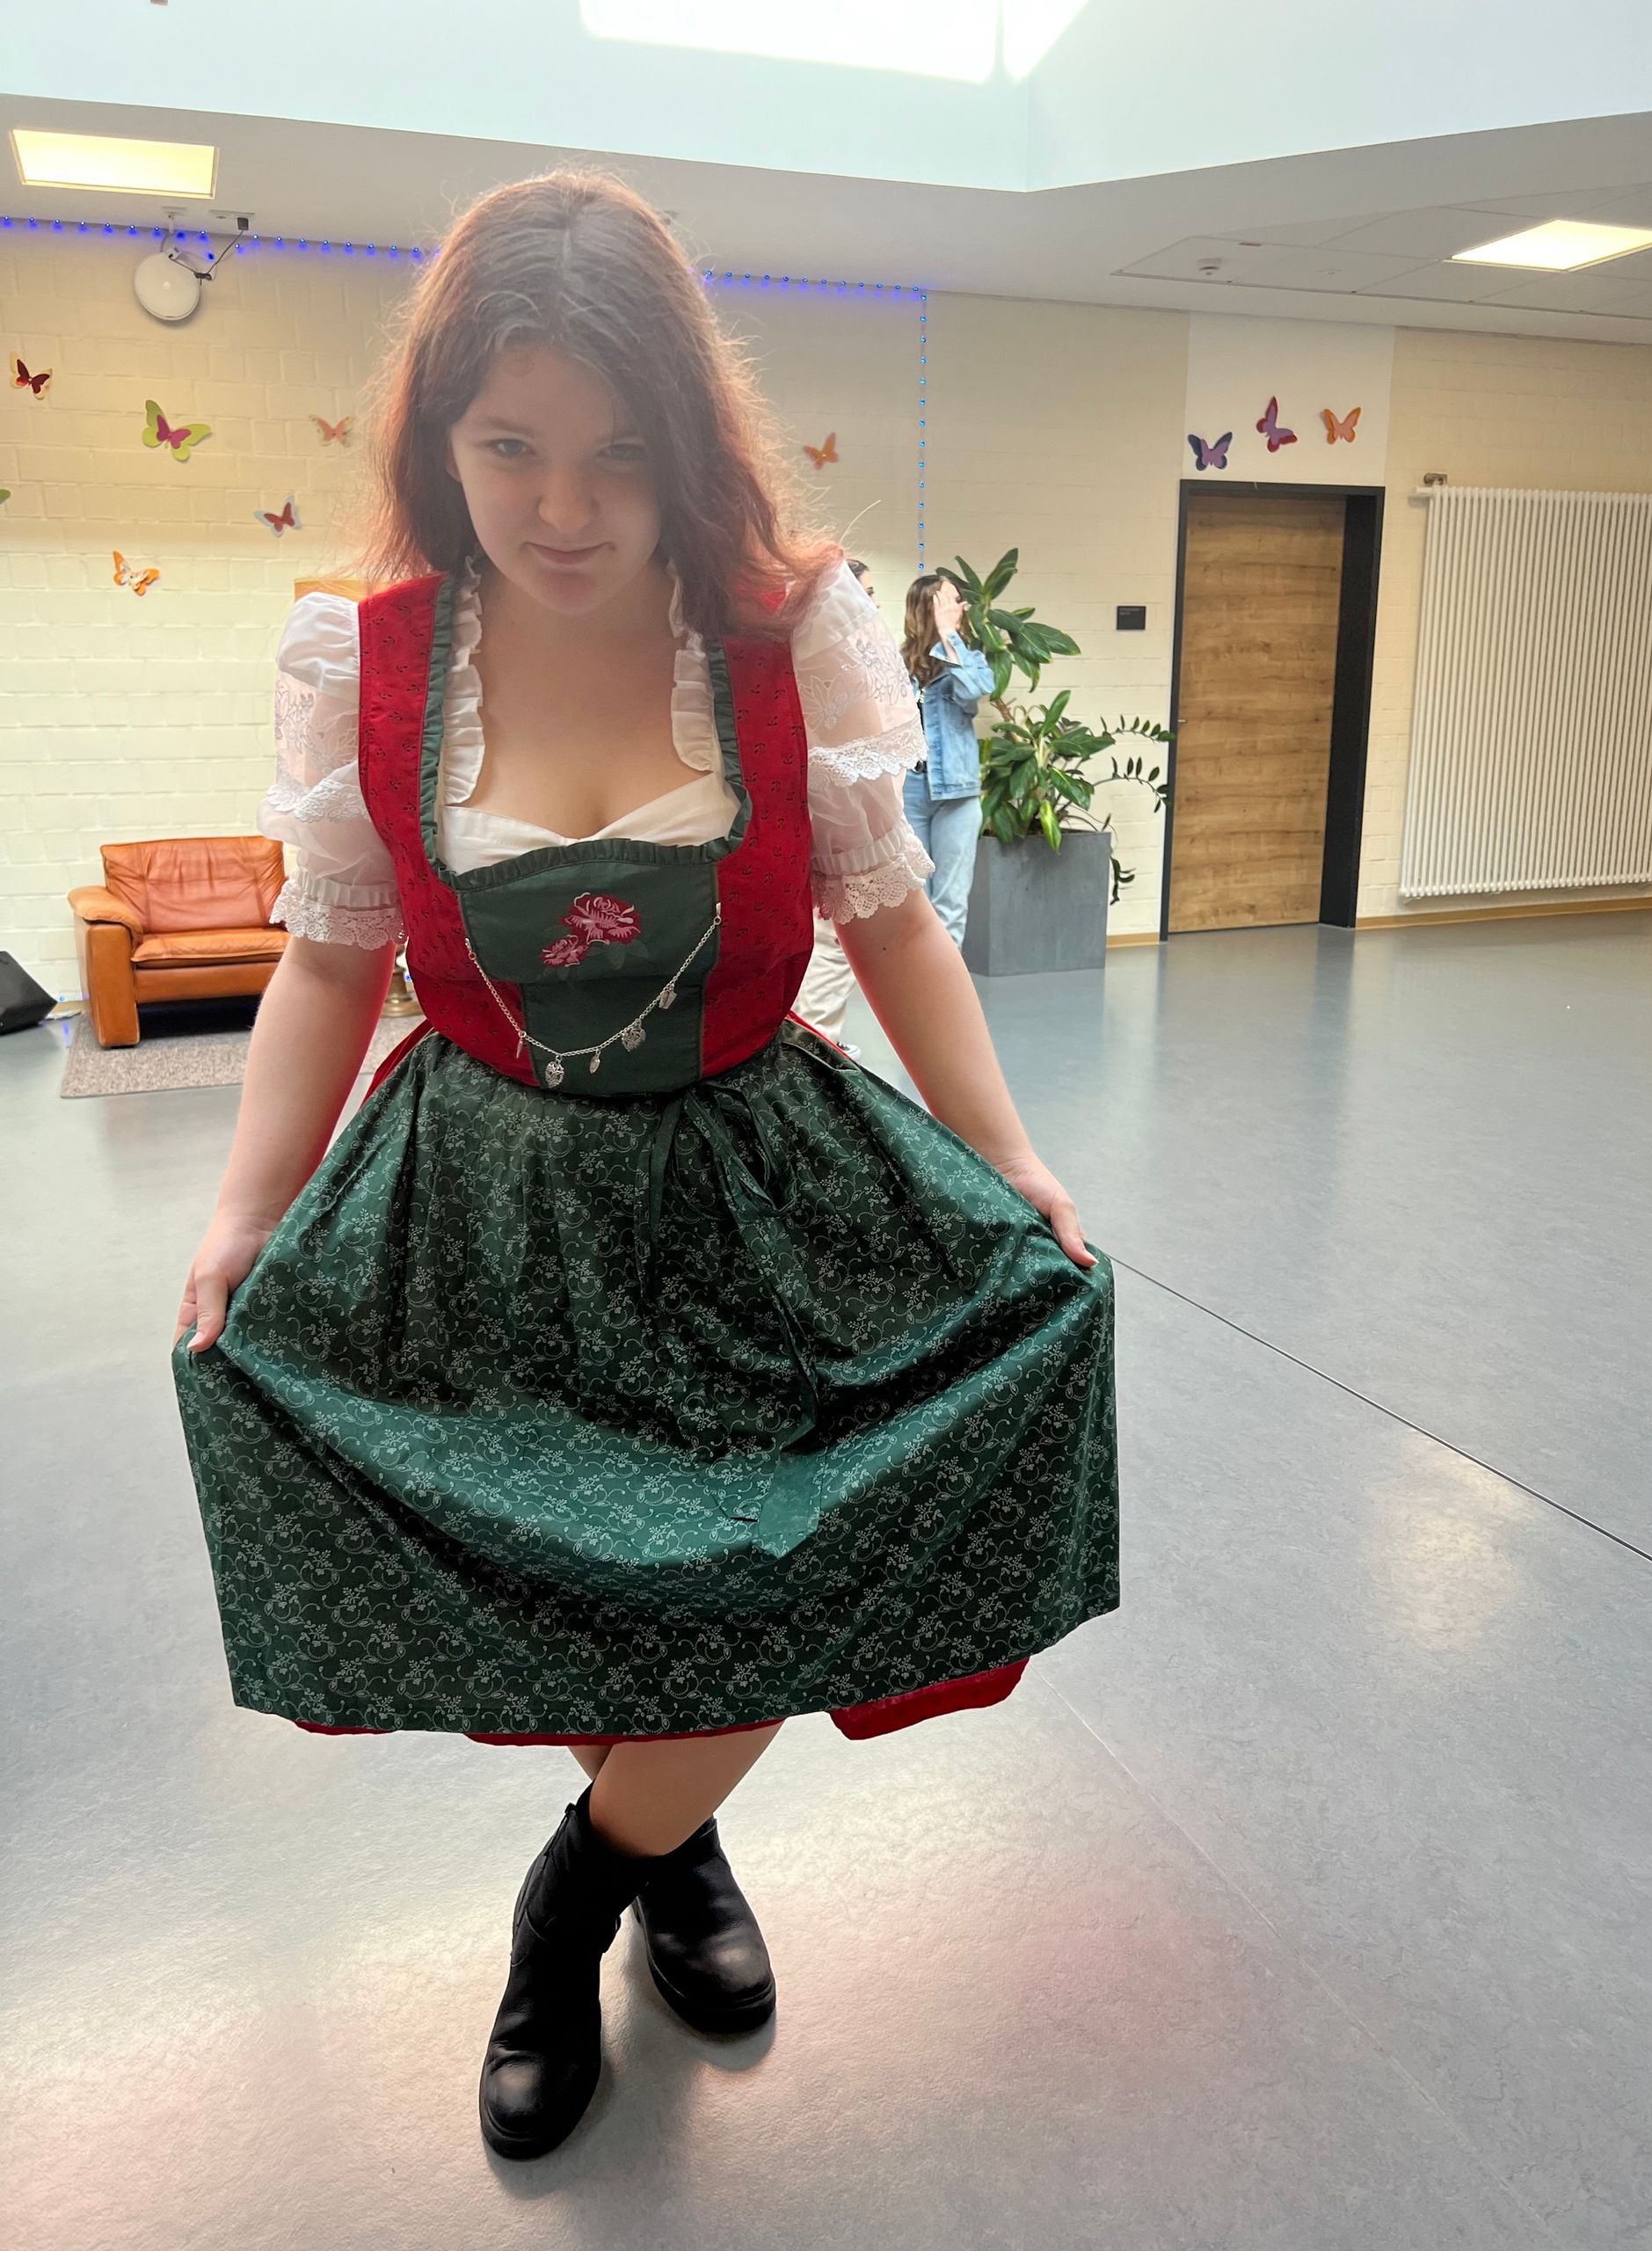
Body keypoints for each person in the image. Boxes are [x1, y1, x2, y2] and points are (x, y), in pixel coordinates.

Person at [171, 171, 1118, 2165]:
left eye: (618, 451)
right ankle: (669, 1849)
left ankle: (573, 1896)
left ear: (687, 443)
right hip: (482, 1203)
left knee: (767, 1552)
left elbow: (891, 913)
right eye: (509, 443)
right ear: (438, 439)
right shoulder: (369, 656)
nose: (564, 504)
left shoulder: (787, 632)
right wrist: (246, 1214)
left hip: (752, 1189)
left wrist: (1009, 1154)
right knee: (583, 1575)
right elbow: (330, 957)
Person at [791, 556, 875, 1048]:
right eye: (864, 593)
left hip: (832, 819)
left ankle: (817, 1043)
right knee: (828, 940)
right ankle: (819, 1047)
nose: (869, 606)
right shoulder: (828, 664)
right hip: (819, 821)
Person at [901, 572, 997, 946]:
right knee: (915, 902)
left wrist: (948, 636)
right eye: (953, 599)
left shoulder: (968, 659)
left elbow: (973, 690)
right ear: (930, 607)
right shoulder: (899, 664)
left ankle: (945, 983)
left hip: (956, 793)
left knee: (950, 904)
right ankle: (916, 980)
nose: (962, 606)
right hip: (910, 791)